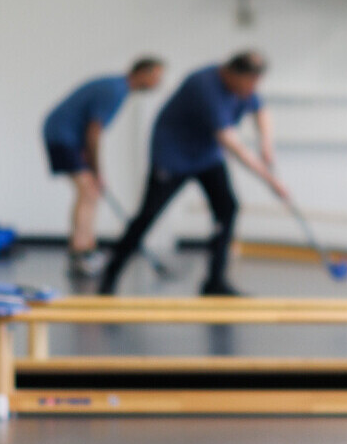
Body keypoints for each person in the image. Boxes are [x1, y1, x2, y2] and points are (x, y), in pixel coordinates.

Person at [97, 51, 286, 297]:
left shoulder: (243, 88)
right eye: (250, 81)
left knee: (227, 208)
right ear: (233, 73)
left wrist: (266, 146)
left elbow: (261, 111)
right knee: (148, 215)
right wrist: (272, 181)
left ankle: (215, 282)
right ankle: (109, 276)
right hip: (173, 156)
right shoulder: (204, 87)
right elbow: (232, 144)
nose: (253, 88)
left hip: (206, 156)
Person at [41, 56, 165, 277]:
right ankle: (80, 254)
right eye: (156, 77)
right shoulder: (116, 91)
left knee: (90, 192)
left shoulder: (117, 87)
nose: (158, 83)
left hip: (68, 137)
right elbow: (94, 133)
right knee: (88, 189)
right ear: (142, 73)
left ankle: (86, 248)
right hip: (62, 136)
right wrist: (98, 171)